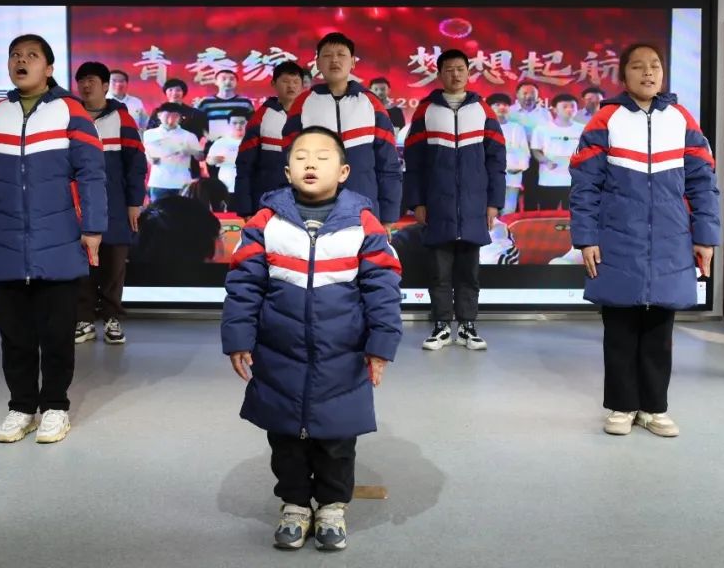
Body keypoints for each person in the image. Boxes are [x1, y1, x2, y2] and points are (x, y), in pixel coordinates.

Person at [221, 127, 402, 552]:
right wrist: (238, 337)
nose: (310, 164)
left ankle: (333, 507)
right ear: (287, 171)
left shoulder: (363, 223)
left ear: (343, 172)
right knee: (285, 438)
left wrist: (380, 345)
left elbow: (383, 286)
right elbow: (243, 284)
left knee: (338, 439)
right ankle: (295, 505)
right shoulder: (265, 222)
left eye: (322, 157)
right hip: (278, 353)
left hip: (343, 356)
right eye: (301, 157)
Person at [569, 43, 720, 438]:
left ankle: (653, 408)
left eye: (654, 66)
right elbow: (585, 187)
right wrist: (586, 238)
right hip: (618, 239)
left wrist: (705, 237)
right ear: (623, 76)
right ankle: (622, 406)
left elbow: (704, 184)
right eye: (638, 66)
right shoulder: (605, 119)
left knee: (659, 331)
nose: (648, 72)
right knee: (620, 328)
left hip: (672, 240)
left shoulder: (682, 120)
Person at [0, 34, 107, 445]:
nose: (21, 61)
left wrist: (93, 229)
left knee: (57, 335)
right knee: (15, 336)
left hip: (59, 240)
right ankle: (22, 407)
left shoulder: (70, 112)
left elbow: (92, 174)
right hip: (4, 241)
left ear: (49, 67)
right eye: (15, 55)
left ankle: (55, 407)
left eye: (31, 55)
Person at [404, 49, 506, 351]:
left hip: (474, 207)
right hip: (438, 204)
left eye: (460, 69)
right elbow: (414, 161)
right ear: (439, 74)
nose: (455, 74)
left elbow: (496, 161)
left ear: (468, 72)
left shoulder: (483, 111)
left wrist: (493, 203)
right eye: (448, 69)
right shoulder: (425, 111)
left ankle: (467, 326)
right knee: (439, 272)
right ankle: (441, 327)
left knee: (469, 272)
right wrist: (417, 202)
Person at [283, 33, 402, 223]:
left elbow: (388, 165)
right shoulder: (303, 104)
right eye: (327, 55)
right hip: (313, 212)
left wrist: (388, 217)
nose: (334, 60)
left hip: (364, 211)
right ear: (317, 63)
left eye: (341, 54)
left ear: (353, 62)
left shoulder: (371, 104)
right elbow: (289, 162)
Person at [73, 61, 147, 346]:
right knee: (82, 264)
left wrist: (134, 202)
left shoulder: (122, 119)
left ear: (105, 86)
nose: (86, 85)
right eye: (82, 80)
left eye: (91, 80)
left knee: (114, 264)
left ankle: (112, 318)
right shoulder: (71, 116)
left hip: (115, 203)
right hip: (79, 205)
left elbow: (136, 164)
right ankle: (84, 319)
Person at [232, 60, 304, 217]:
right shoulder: (261, 117)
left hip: (305, 200)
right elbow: (244, 164)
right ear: (273, 84)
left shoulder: (312, 115)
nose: (291, 86)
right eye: (285, 81)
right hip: (267, 200)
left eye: (296, 82)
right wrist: (245, 208)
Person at [530, 93, 583, 210]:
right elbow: (535, 150)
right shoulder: (542, 129)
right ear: (554, 109)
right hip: (549, 180)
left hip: (575, 182)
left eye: (572, 106)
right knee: (547, 214)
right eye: (565, 106)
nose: (569, 109)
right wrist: (546, 161)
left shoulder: (583, 129)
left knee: (573, 215)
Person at [143, 103, 203, 203]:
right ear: (159, 115)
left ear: (180, 118)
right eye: (167, 116)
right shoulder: (149, 134)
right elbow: (146, 153)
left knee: (182, 211)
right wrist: (150, 159)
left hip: (182, 183)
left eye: (175, 116)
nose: (170, 120)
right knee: (158, 211)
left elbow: (200, 157)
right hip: (158, 182)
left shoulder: (188, 135)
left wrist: (190, 151)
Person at [509, 81, 552, 210]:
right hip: (515, 155)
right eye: (525, 93)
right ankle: (513, 216)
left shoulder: (545, 113)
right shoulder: (510, 112)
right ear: (517, 95)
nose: (528, 96)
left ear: (537, 96)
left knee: (533, 188)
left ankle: (530, 215)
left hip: (536, 154)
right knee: (513, 188)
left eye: (532, 93)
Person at [486, 93, 530, 215]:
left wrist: (519, 167)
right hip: (489, 180)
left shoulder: (517, 128)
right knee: (489, 214)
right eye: (497, 104)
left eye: (505, 105)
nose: (502, 107)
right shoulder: (483, 128)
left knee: (508, 213)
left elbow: (524, 153)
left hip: (512, 179)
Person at [197, 69, 255, 143]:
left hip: (239, 143)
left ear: (236, 82)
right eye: (223, 79)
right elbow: (198, 123)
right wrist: (205, 136)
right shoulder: (206, 103)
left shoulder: (245, 102)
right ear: (216, 82)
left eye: (232, 79)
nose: (228, 82)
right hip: (213, 143)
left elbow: (253, 124)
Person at [206, 111, 250, 195]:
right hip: (226, 187)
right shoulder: (221, 142)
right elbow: (209, 160)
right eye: (234, 123)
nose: (238, 126)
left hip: (248, 187)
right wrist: (213, 160)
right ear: (229, 124)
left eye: (242, 123)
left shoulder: (255, 142)